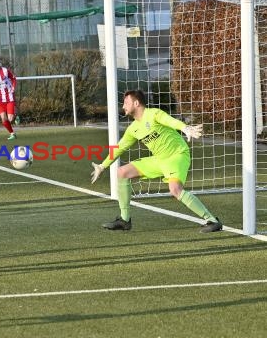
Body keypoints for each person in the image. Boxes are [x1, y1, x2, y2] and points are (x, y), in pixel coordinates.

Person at [90, 89, 223, 233]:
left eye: (126, 103)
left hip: (176, 155)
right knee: (122, 172)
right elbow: (119, 148)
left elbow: (169, 121)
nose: (123, 106)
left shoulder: (153, 114)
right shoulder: (133, 129)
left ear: (136, 103)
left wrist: (185, 128)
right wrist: (102, 166)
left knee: (175, 190)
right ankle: (125, 220)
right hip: (159, 159)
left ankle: (213, 221)